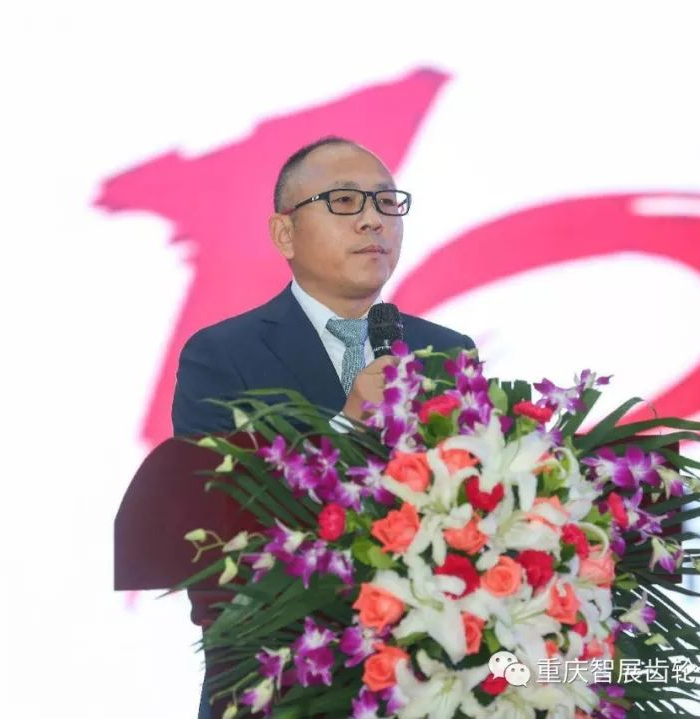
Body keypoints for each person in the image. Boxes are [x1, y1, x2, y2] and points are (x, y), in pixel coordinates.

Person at [170, 136, 475, 718]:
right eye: (344, 201)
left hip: (428, 686)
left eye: (386, 202)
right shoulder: (221, 355)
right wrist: (349, 423)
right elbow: (213, 533)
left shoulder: (446, 352)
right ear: (284, 233)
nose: (373, 220)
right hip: (282, 686)